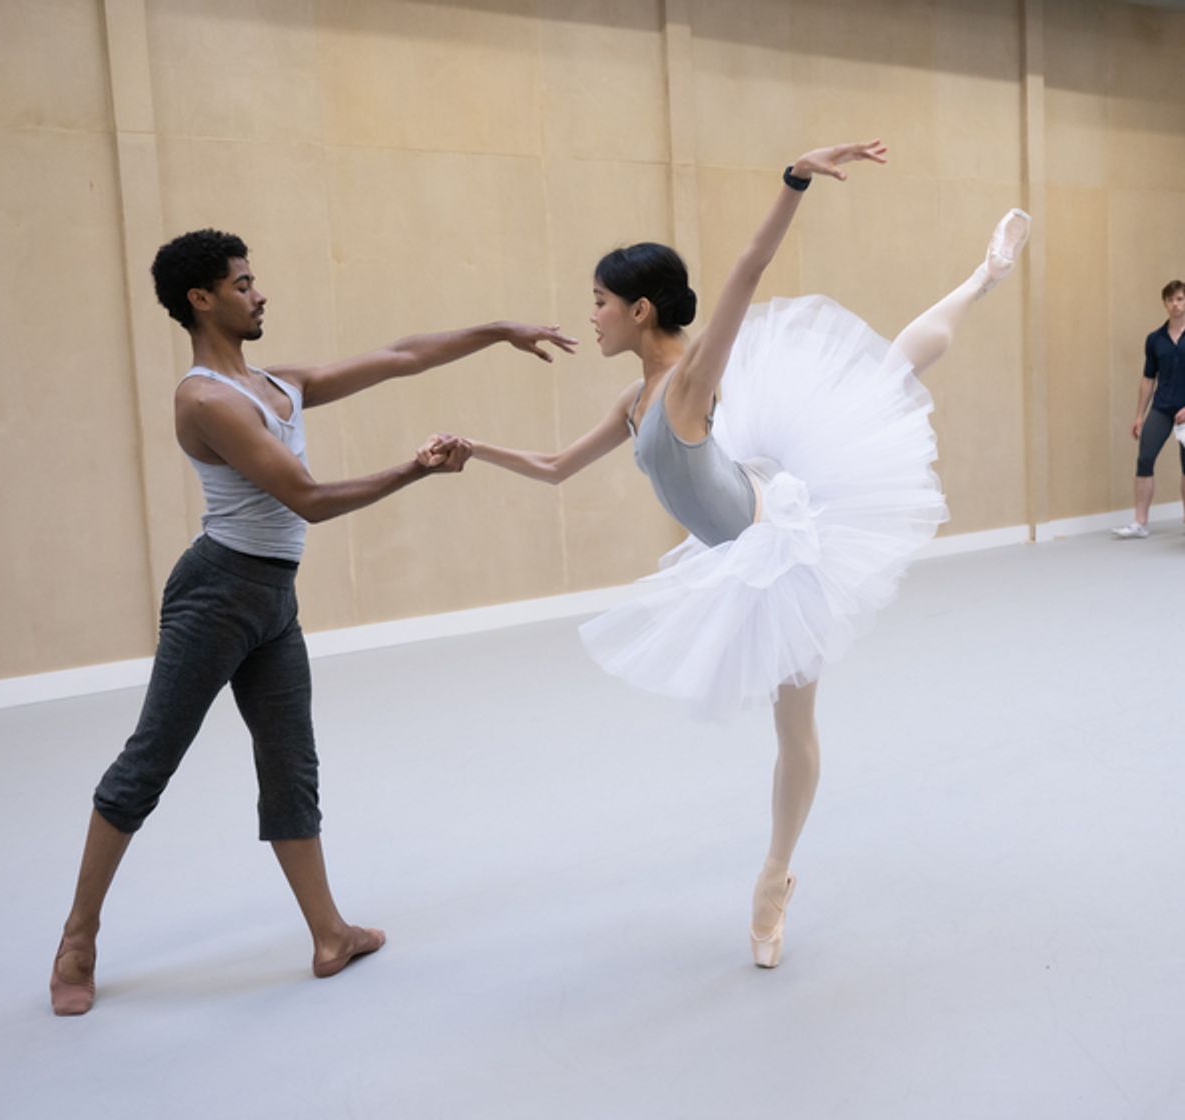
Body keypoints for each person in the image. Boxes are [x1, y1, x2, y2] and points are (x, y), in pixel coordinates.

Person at [443, 142, 1030, 968]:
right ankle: (981, 278)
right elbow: (552, 469)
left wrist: (793, 181)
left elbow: (747, 275)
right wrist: (476, 449)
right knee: (886, 377)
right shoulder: (633, 396)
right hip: (748, 513)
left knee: (888, 378)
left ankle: (774, 879)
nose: (593, 316)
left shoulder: (688, 382)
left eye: (601, 302)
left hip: (785, 547)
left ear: (642, 310)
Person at [50, 228, 576, 1015]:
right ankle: (77, 941)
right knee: (148, 763)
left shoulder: (277, 382)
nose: (259, 293)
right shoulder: (203, 399)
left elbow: (403, 356)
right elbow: (310, 499)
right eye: (243, 283)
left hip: (271, 602)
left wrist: (499, 331)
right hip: (215, 595)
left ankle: (329, 935)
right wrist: (415, 470)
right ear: (201, 299)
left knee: (290, 767)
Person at [1111, 279, 1185, 539]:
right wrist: (1139, 415)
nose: (1175, 305)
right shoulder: (1155, 339)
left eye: (1180, 299)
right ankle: (1140, 522)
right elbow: (1147, 379)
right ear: (1164, 304)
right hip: (1163, 408)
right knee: (1144, 459)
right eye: (1171, 300)